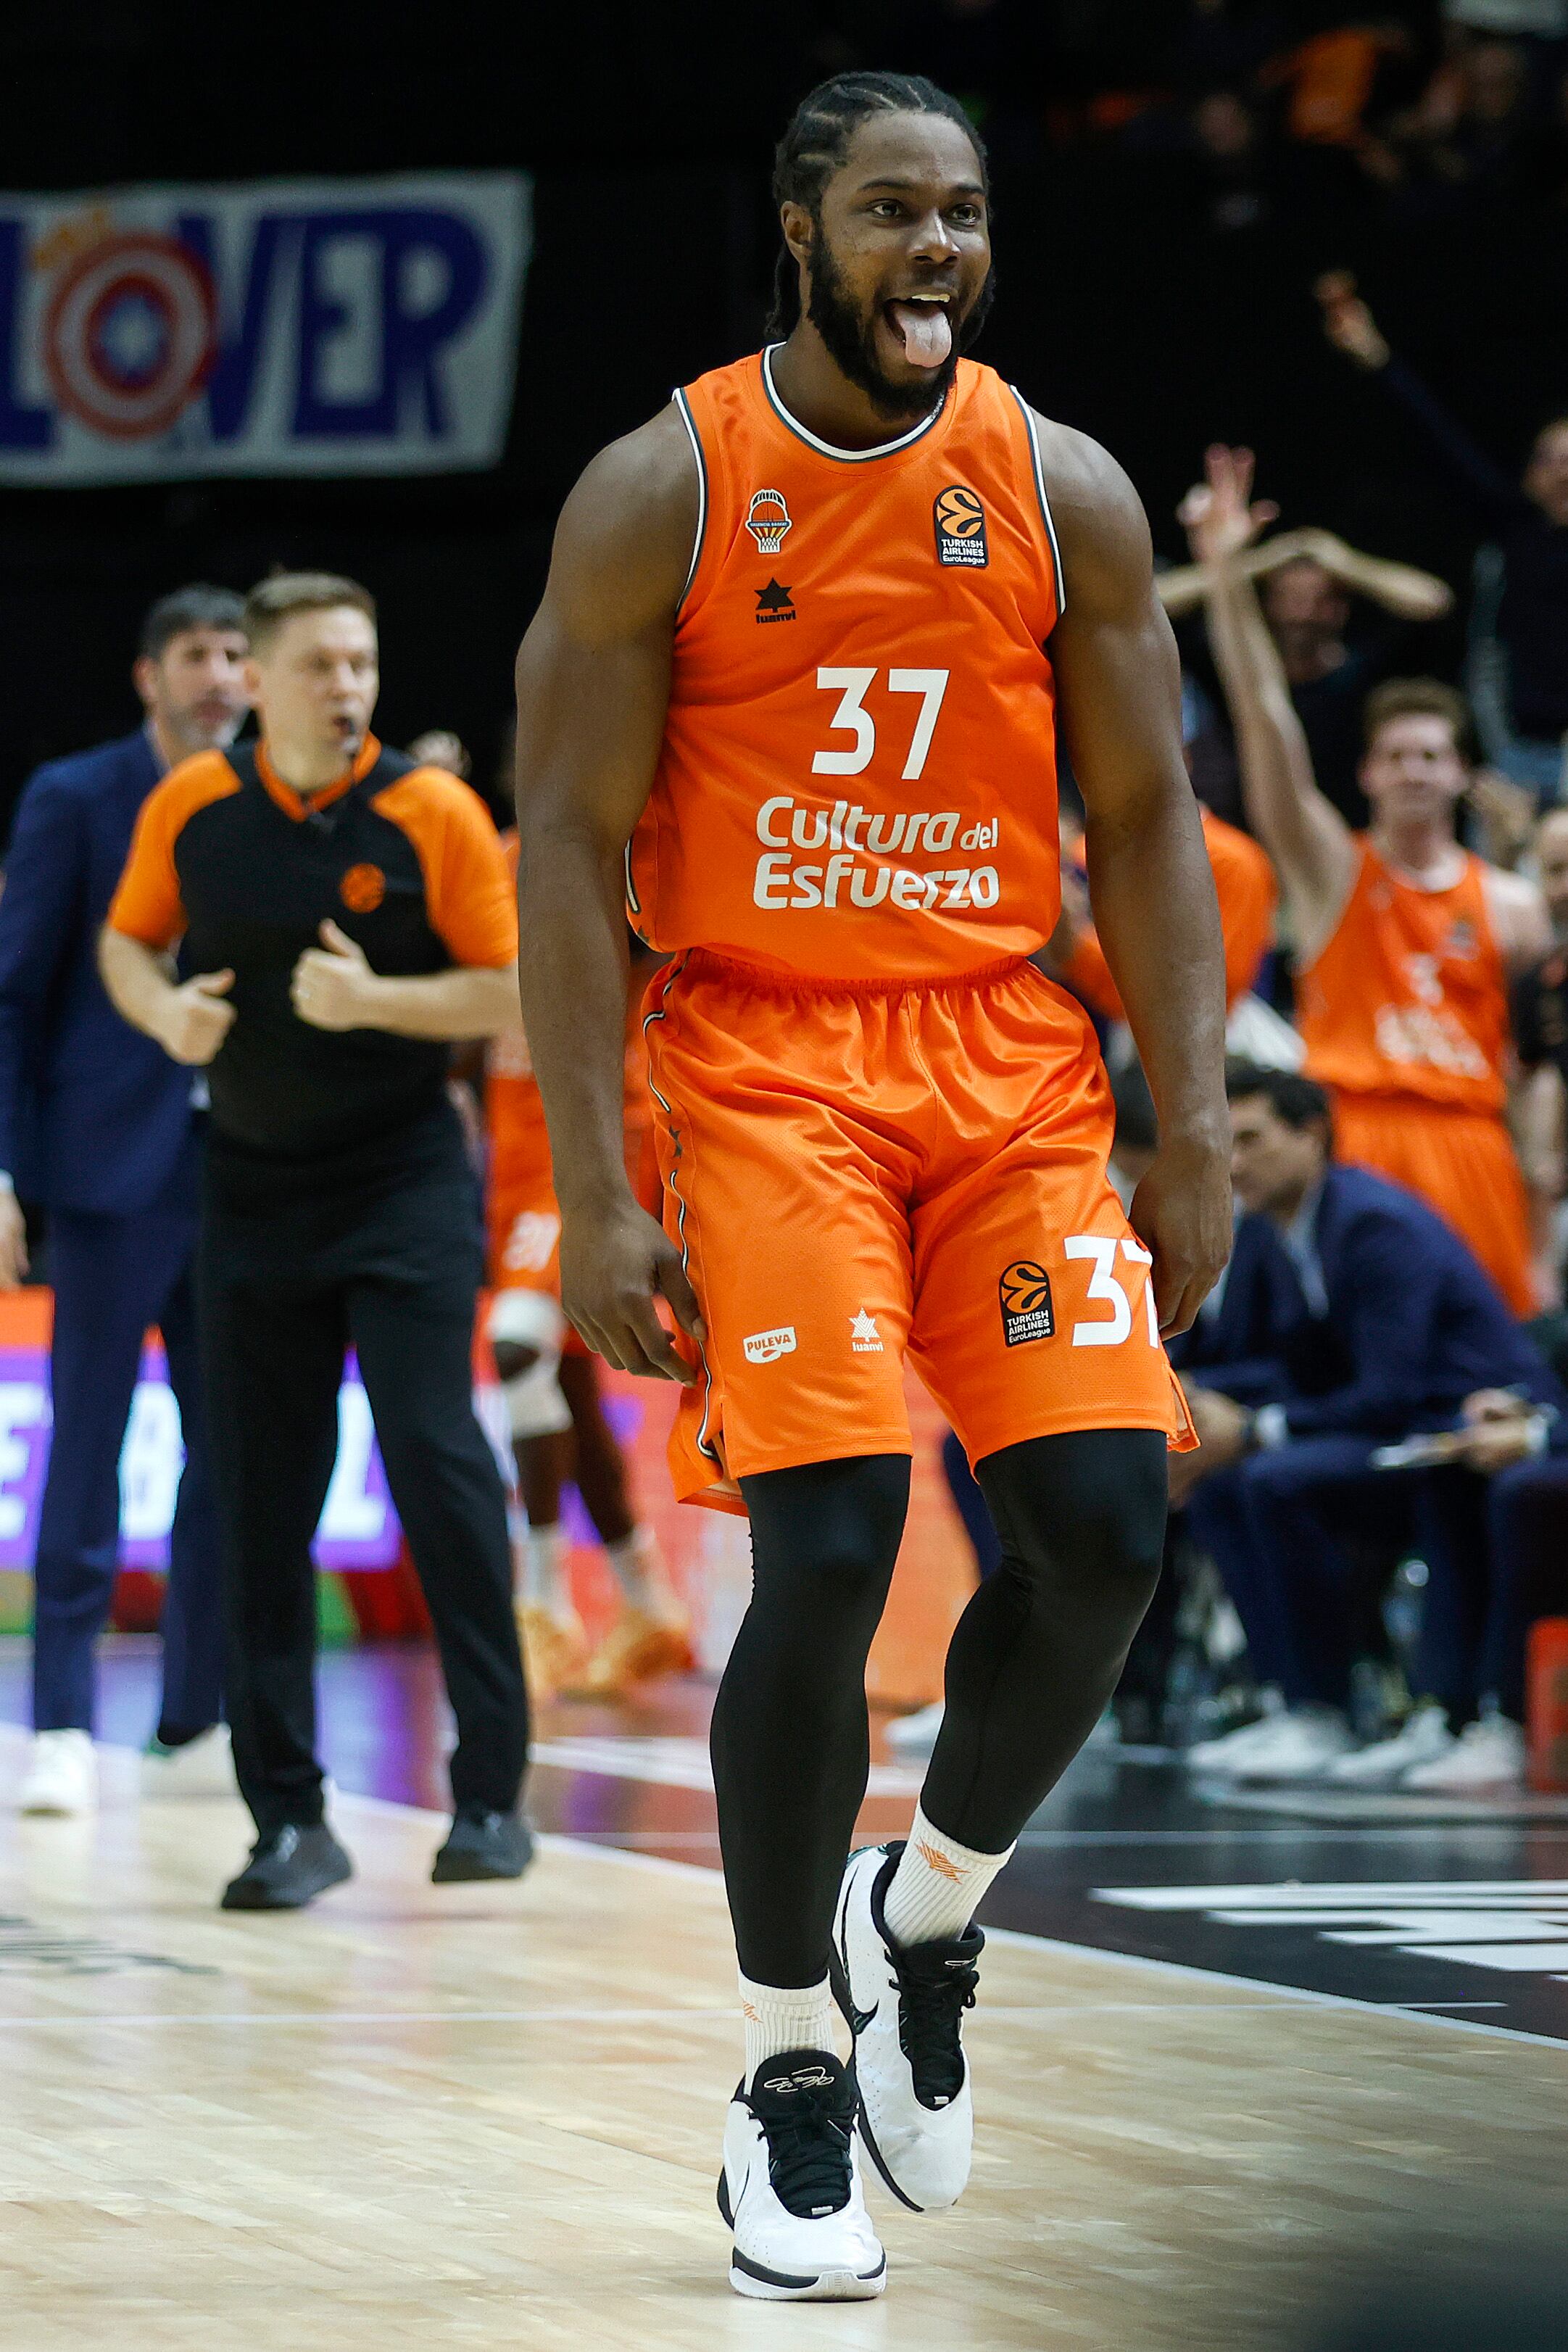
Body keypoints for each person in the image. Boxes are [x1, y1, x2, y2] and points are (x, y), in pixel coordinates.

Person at [513, 71, 1229, 2302]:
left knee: (1111, 1520)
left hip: (1002, 1055)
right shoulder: (665, 488)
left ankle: (918, 1910)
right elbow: (557, 846)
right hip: (763, 1064)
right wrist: (592, 1189)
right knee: (821, 1554)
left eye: (967, 217)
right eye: (896, 213)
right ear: (801, 227)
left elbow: (1140, 819)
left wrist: (1189, 1120)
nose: (938, 250)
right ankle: (776, 2077)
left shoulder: (1058, 488)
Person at [99, 573, 531, 1910]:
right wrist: (164, 1016)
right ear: (269, 685)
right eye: (323, 663)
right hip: (252, 1187)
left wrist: (376, 1000)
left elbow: (515, 985)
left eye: (365, 659)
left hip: (403, 1186)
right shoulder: (194, 806)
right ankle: (288, 1817)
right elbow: (127, 944)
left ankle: (492, 1795)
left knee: (436, 1461)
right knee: (257, 1496)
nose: (349, 684)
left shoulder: (430, 808)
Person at [1187, 442, 1551, 1314]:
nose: (1416, 769)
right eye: (1396, 755)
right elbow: (1265, 722)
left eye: (1433, 754)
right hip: (1354, 1135)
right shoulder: (1329, 871)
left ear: (1463, 772)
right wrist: (1227, 579)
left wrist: (1542, 1239)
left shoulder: (1515, 905)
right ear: (1368, 775)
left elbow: (1536, 1073)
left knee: (1484, 1379)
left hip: (1474, 1145)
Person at [0, 586, 247, 1817]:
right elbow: (14, 994)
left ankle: (195, 1712)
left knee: (232, 1455)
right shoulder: (75, 797)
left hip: (247, 1170)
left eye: (238, 653)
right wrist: (7, 1168)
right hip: (105, 1172)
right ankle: (57, 1717)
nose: (221, 674)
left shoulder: (277, 797)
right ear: (149, 675)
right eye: (198, 653)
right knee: (87, 1439)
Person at [1177, 1064, 1562, 1784]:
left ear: (1313, 1133)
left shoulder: (1376, 1224)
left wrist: (1257, 1426)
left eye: (1253, 1139)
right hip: (1385, 1426)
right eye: (1225, 1142)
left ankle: (1379, 1709)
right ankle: (1293, 1703)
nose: (1233, 1161)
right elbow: (1276, 1362)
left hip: (1453, 1419)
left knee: (1273, 1478)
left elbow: (1393, 1389)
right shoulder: (1269, 1229)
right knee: (1224, 1485)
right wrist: (1199, 1393)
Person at [485, 860, 692, 1699]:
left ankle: (540, 1602)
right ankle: (646, 1603)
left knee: (516, 1348)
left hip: (593, 1145)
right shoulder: (489, 861)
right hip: (512, 1151)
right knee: (564, 1383)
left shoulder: (622, 840)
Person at [1317, 273, 1568, 798]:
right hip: (1521, 755)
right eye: (1549, 460)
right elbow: (1440, 443)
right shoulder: (1516, 532)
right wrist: (1378, 361)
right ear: (1528, 476)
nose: (1563, 472)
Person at [1159, 526, 1453, 826]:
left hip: (1347, 839)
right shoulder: (1225, 670)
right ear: (1268, 604)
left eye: (1319, 599)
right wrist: (1255, 565)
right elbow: (1154, 602)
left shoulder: (1359, 674)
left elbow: (1433, 601)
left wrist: (1348, 564)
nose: (1302, 612)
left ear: (1340, 609)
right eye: (1288, 597)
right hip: (1242, 834)